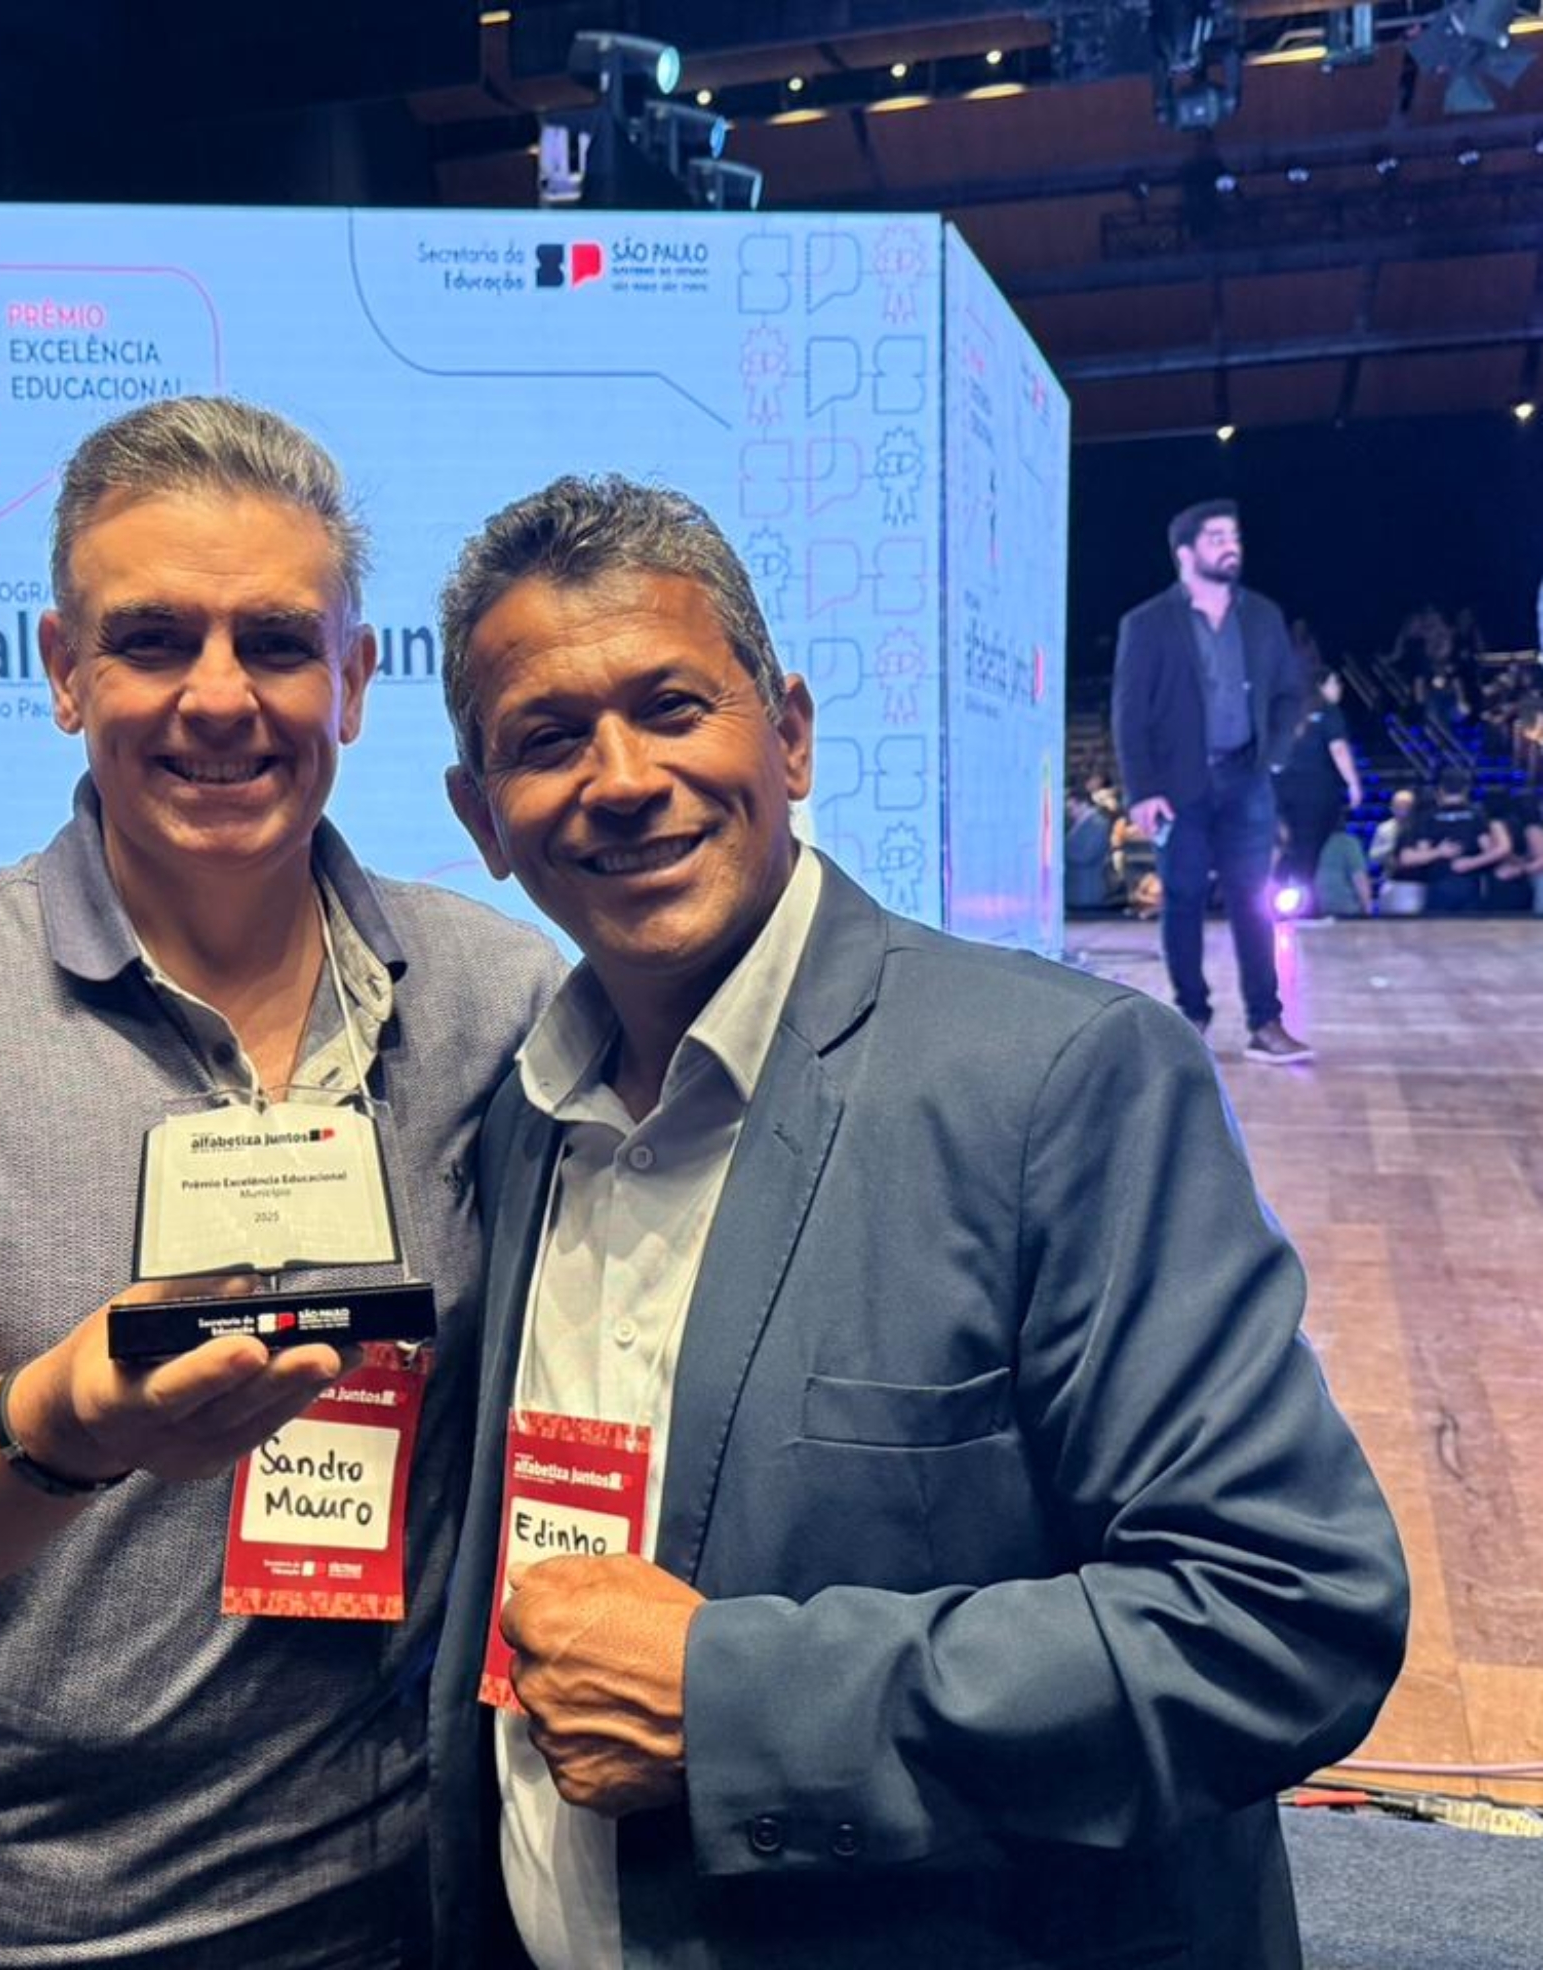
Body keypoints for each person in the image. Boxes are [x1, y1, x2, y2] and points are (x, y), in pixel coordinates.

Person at [427, 475, 1409, 1970]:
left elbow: (1280, 1611)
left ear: (793, 732)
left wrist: (730, 1703)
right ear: (481, 820)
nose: (619, 777)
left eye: (673, 705)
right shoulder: (520, 1120)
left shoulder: (1055, 1081)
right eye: (544, 739)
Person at [0, 397, 561, 1970]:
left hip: (373, 1919)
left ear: (356, 681)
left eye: (278, 642)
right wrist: (57, 1427)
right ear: (63, 670)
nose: (218, 698)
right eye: (154, 639)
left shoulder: (497, 1002)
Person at [1111, 498, 1310, 1061]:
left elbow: (1290, 693)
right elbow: (1129, 712)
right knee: (1184, 898)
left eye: (1235, 536)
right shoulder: (1147, 623)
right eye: (1217, 536)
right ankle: (1191, 1015)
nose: (1232, 545)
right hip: (1179, 788)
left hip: (1247, 781)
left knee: (1254, 903)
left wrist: (1273, 755)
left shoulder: (1263, 616)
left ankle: (1265, 1023)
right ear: (1186, 552)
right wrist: (1142, 789)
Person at [1275, 668, 1362, 905]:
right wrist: (1353, 783)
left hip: (1282, 789)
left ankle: (1283, 895)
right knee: (1307, 849)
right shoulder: (1329, 712)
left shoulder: (1290, 713)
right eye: (1336, 683)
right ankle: (1302, 905)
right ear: (1322, 685)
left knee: (1289, 846)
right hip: (1315, 791)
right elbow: (1339, 749)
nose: (1339, 689)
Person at [1395, 765, 1507, 914]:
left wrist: (1438, 853)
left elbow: (1407, 857)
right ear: (1466, 789)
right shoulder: (1477, 816)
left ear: (1439, 790)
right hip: (1466, 889)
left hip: (1440, 888)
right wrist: (1469, 862)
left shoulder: (1426, 818)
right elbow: (1490, 851)